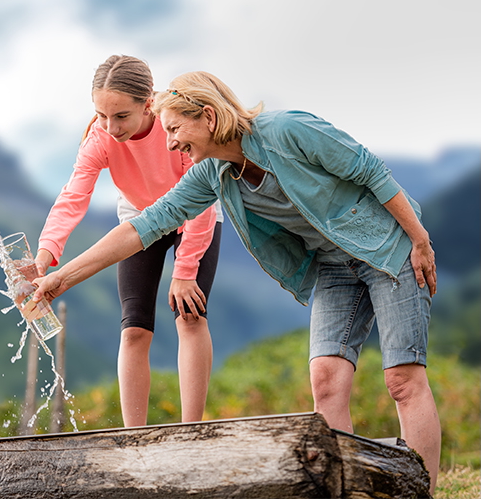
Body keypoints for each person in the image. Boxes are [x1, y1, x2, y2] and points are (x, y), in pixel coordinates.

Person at [33, 70, 441, 494]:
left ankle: (423, 491)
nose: (170, 142)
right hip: (334, 267)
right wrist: (62, 277)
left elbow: (369, 170)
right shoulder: (212, 173)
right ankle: (343, 492)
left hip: (388, 249)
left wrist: (419, 240)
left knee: (402, 379)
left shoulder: (287, 130)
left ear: (208, 116)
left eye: (174, 129)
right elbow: (145, 225)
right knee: (325, 380)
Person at [35, 56, 222, 427]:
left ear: (148, 103)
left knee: (189, 316)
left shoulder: (177, 127)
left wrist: (184, 272)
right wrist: (47, 251)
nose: (110, 126)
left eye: (121, 116)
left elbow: (201, 201)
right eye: (102, 115)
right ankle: (133, 437)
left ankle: (192, 431)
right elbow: (73, 196)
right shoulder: (100, 138)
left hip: (195, 217)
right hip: (139, 220)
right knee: (134, 329)